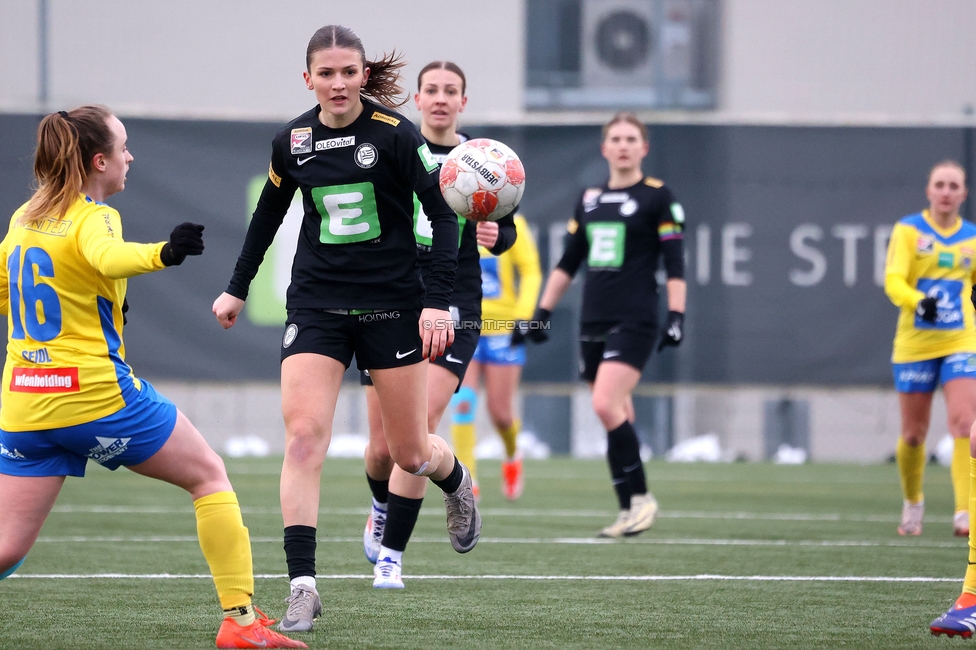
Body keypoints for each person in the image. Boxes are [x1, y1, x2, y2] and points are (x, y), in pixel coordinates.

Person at [0, 106, 305, 649]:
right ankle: (240, 623)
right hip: (94, 396)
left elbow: (9, 292)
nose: (130, 156)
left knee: (6, 550)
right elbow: (109, 257)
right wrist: (164, 253)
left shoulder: (25, 217)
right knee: (209, 476)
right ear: (100, 161)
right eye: (123, 147)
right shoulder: (94, 214)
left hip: (24, 403)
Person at [211, 27, 480, 632]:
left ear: (363, 76)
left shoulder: (394, 134)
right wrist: (237, 286)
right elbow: (267, 218)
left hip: (392, 307)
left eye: (348, 72)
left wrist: (436, 304)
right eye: (325, 74)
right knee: (305, 437)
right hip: (317, 306)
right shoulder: (293, 141)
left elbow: (442, 217)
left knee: (408, 452)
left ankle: (455, 480)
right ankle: (302, 586)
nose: (337, 83)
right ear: (307, 79)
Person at [360, 60, 517, 588]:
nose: (441, 98)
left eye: (452, 91)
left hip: (452, 305)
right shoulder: (398, 148)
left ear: (463, 102)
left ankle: (391, 557)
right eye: (432, 90)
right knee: (382, 447)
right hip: (391, 301)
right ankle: (381, 505)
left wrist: (500, 236)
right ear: (418, 99)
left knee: (417, 430)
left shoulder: (483, 160)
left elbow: (508, 226)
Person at [522, 112, 686, 538]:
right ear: (604, 147)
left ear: (644, 148)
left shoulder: (658, 196)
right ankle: (628, 506)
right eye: (616, 138)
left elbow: (675, 264)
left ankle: (644, 498)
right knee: (617, 410)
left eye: (632, 138)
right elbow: (568, 262)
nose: (624, 145)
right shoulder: (590, 199)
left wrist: (676, 316)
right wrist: (542, 313)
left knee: (604, 403)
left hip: (637, 318)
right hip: (593, 318)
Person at [883, 160, 976, 539]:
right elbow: (893, 280)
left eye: (954, 186)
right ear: (928, 191)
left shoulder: (971, 236)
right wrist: (917, 301)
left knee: (964, 423)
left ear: (964, 194)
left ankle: (965, 512)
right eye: (940, 184)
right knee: (913, 435)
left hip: (961, 340)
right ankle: (913, 501)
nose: (946, 192)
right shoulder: (908, 231)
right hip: (915, 343)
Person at [450, 214, 542, 500]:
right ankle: (468, 478)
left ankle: (513, 454)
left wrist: (524, 317)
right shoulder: (452, 221)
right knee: (463, 402)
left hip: (502, 327)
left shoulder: (514, 225)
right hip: (464, 324)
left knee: (501, 413)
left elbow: (530, 271)